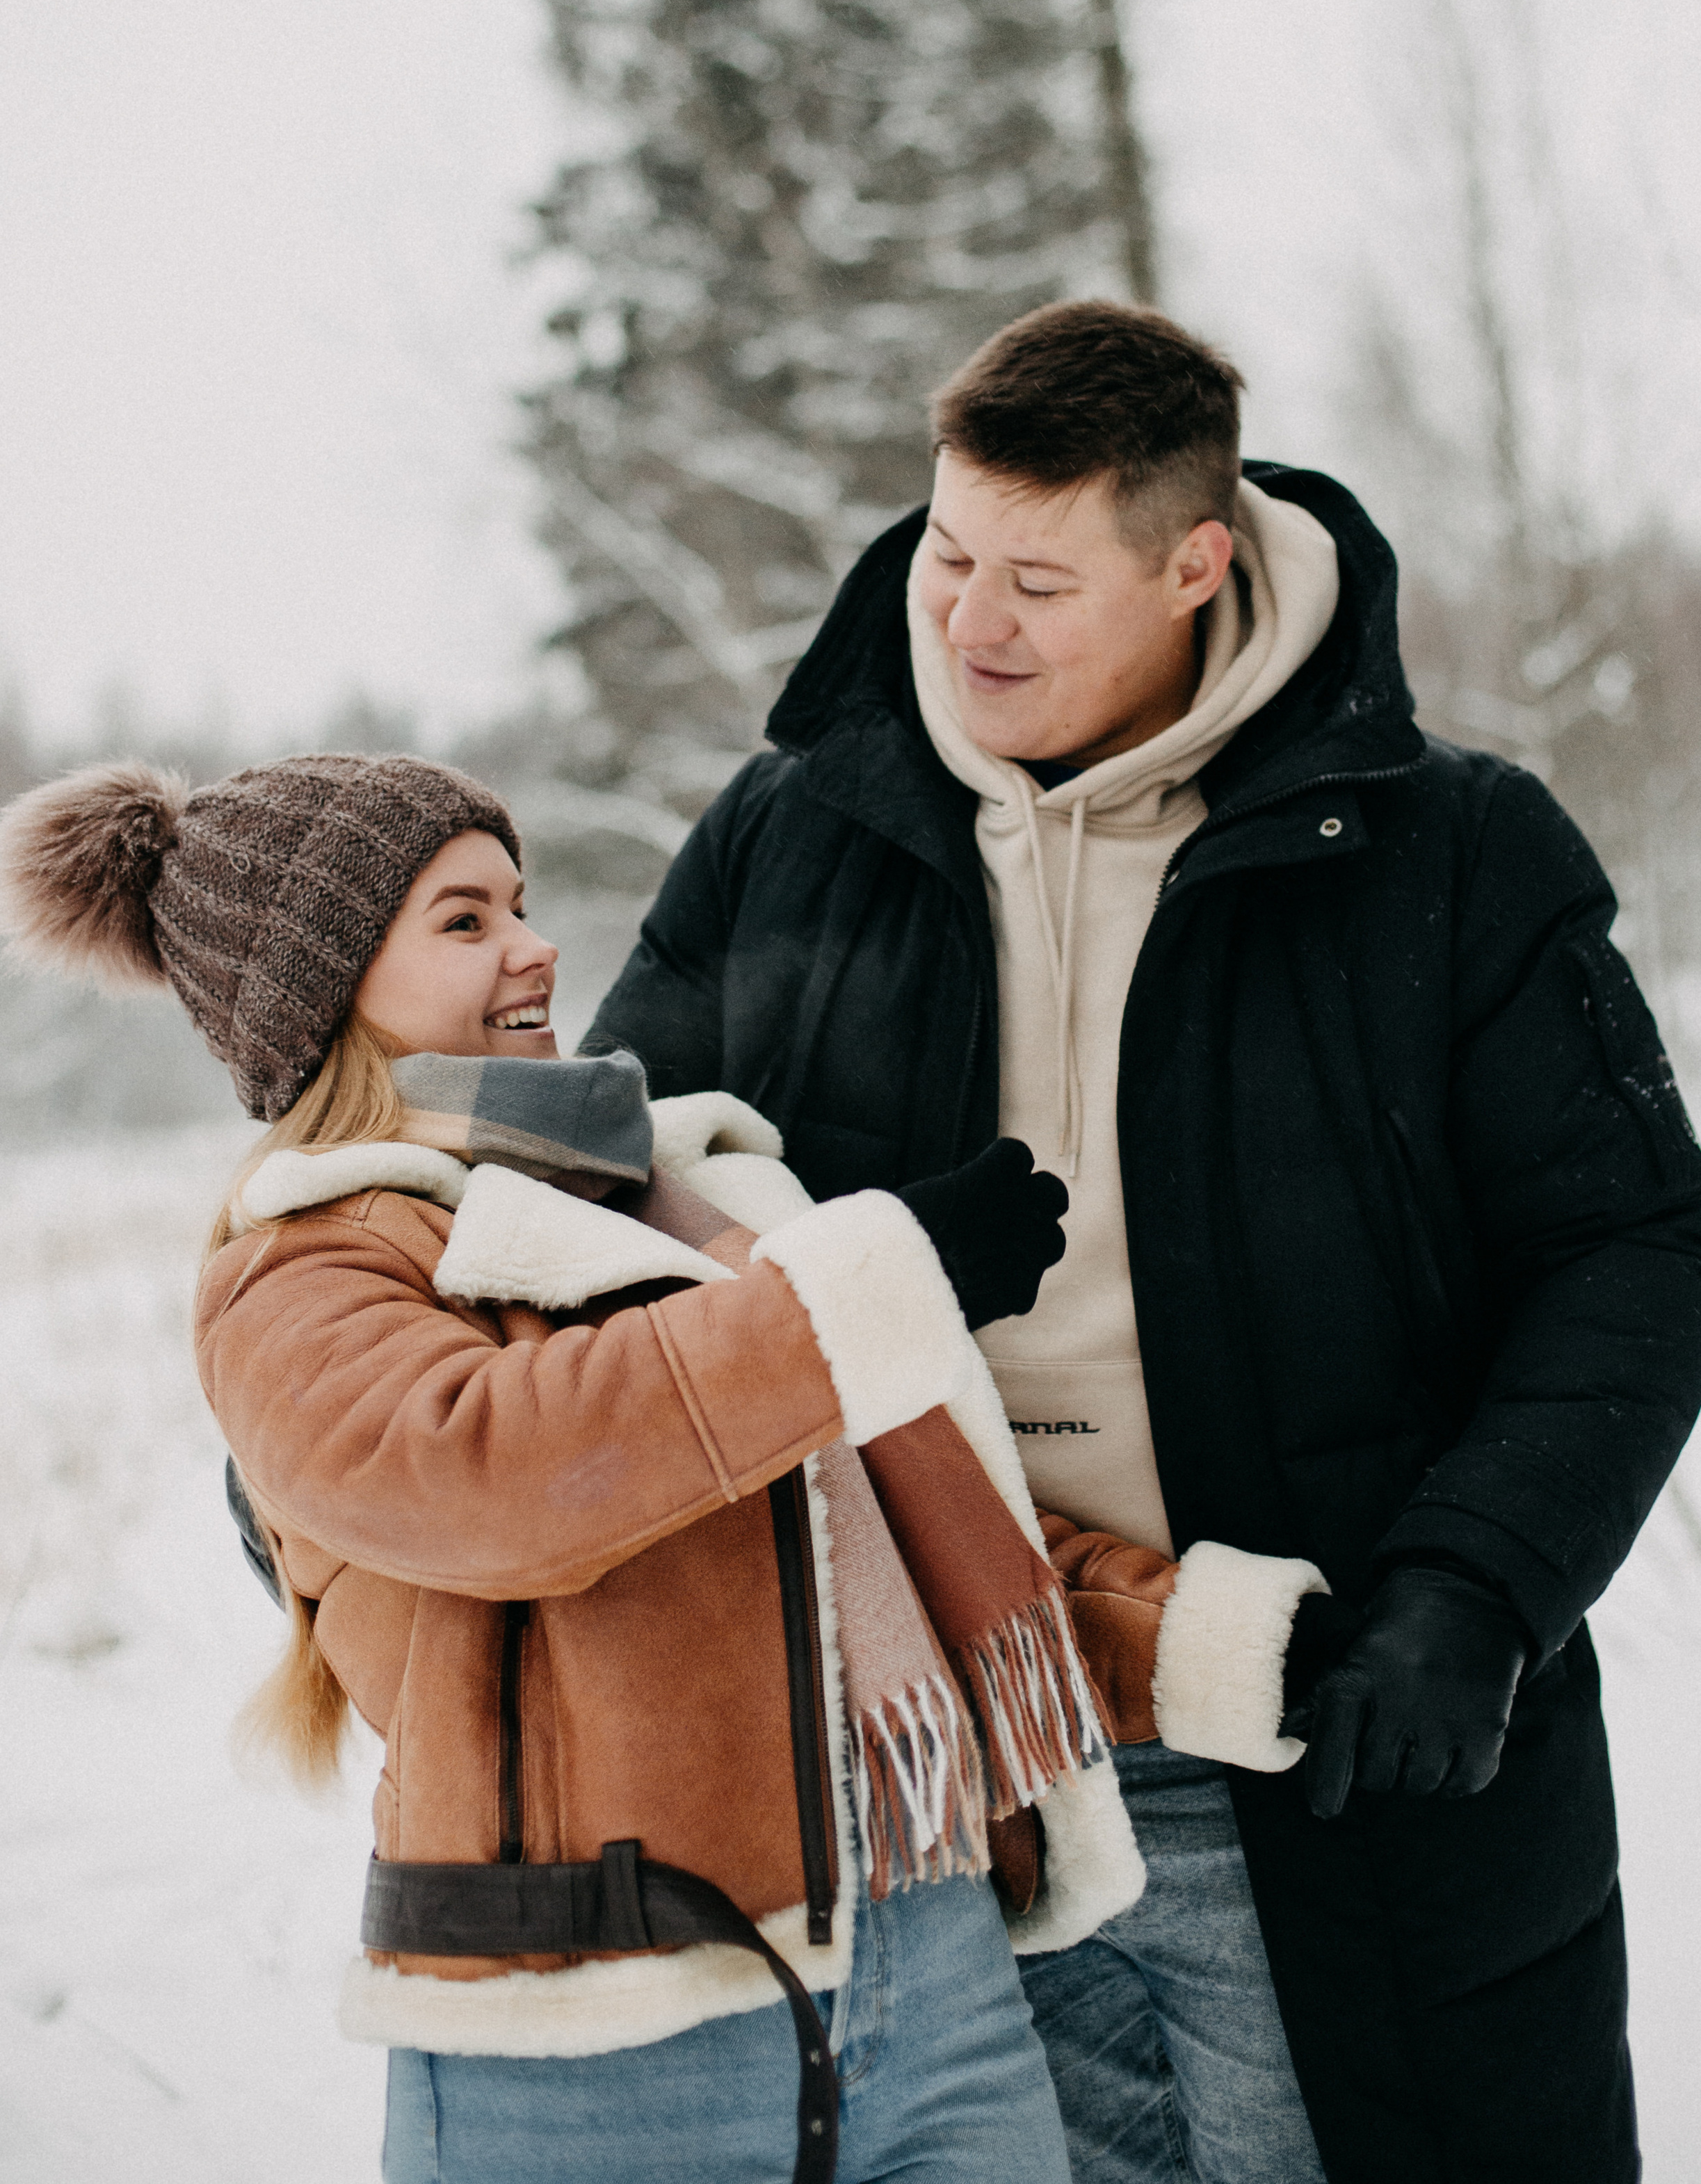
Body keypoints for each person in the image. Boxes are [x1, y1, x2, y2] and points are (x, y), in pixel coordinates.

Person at [582, 300, 1701, 2184]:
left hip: (1320, 1743)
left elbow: (1634, 1251)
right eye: (951, 553)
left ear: (1196, 564)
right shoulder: (795, 835)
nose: (967, 620)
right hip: (939, 1761)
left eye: (1039, 579)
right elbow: (623, 1212)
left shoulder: (1448, 853)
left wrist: (1479, 1583)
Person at [0, 747, 1153, 2184]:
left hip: (932, 1969)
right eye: (465, 919)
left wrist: (1211, 1636)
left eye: (521, 904)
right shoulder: (304, 1267)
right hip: (594, 2031)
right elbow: (493, 1473)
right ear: (331, 982)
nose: (537, 947)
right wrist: (868, 1290)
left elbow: (901, 1545)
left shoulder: (713, 1204)